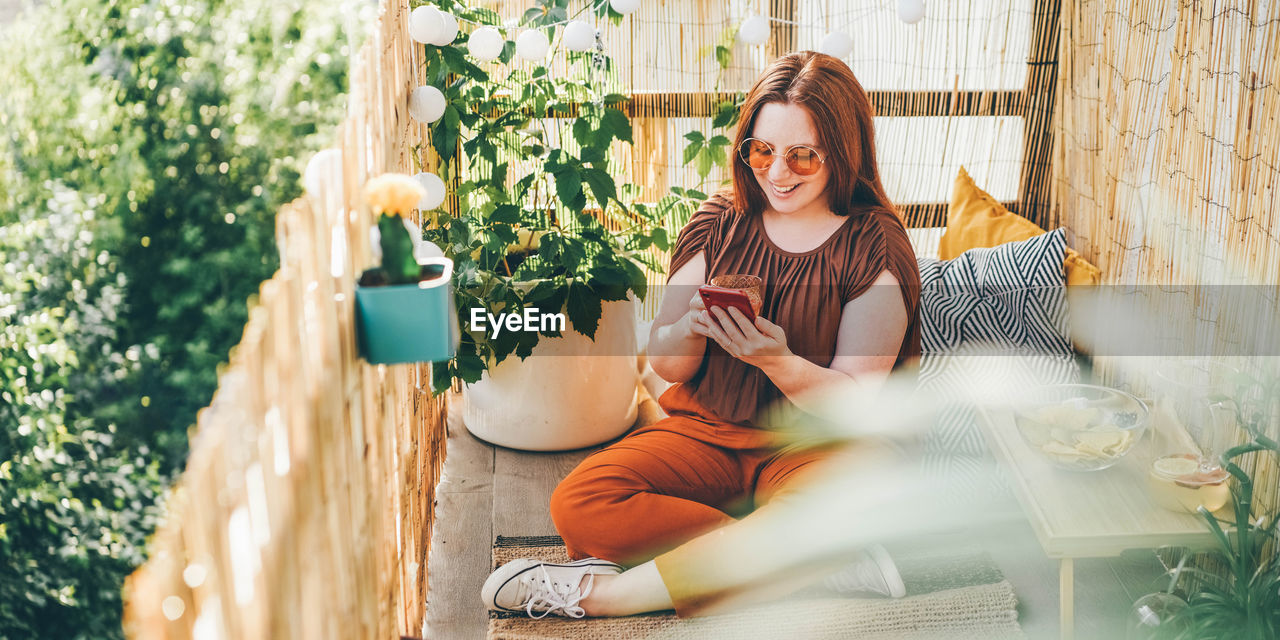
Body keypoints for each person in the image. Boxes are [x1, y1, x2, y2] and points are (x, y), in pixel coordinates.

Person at [480, 50, 922, 620]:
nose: (778, 173)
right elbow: (668, 365)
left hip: (822, 450)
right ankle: (808, 557)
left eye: (803, 156)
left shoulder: (875, 244)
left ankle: (599, 595)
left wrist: (778, 361)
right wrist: (690, 328)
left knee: (842, 497)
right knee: (580, 504)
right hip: (709, 436)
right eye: (762, 151)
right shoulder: (720, 218)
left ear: (843, 151)